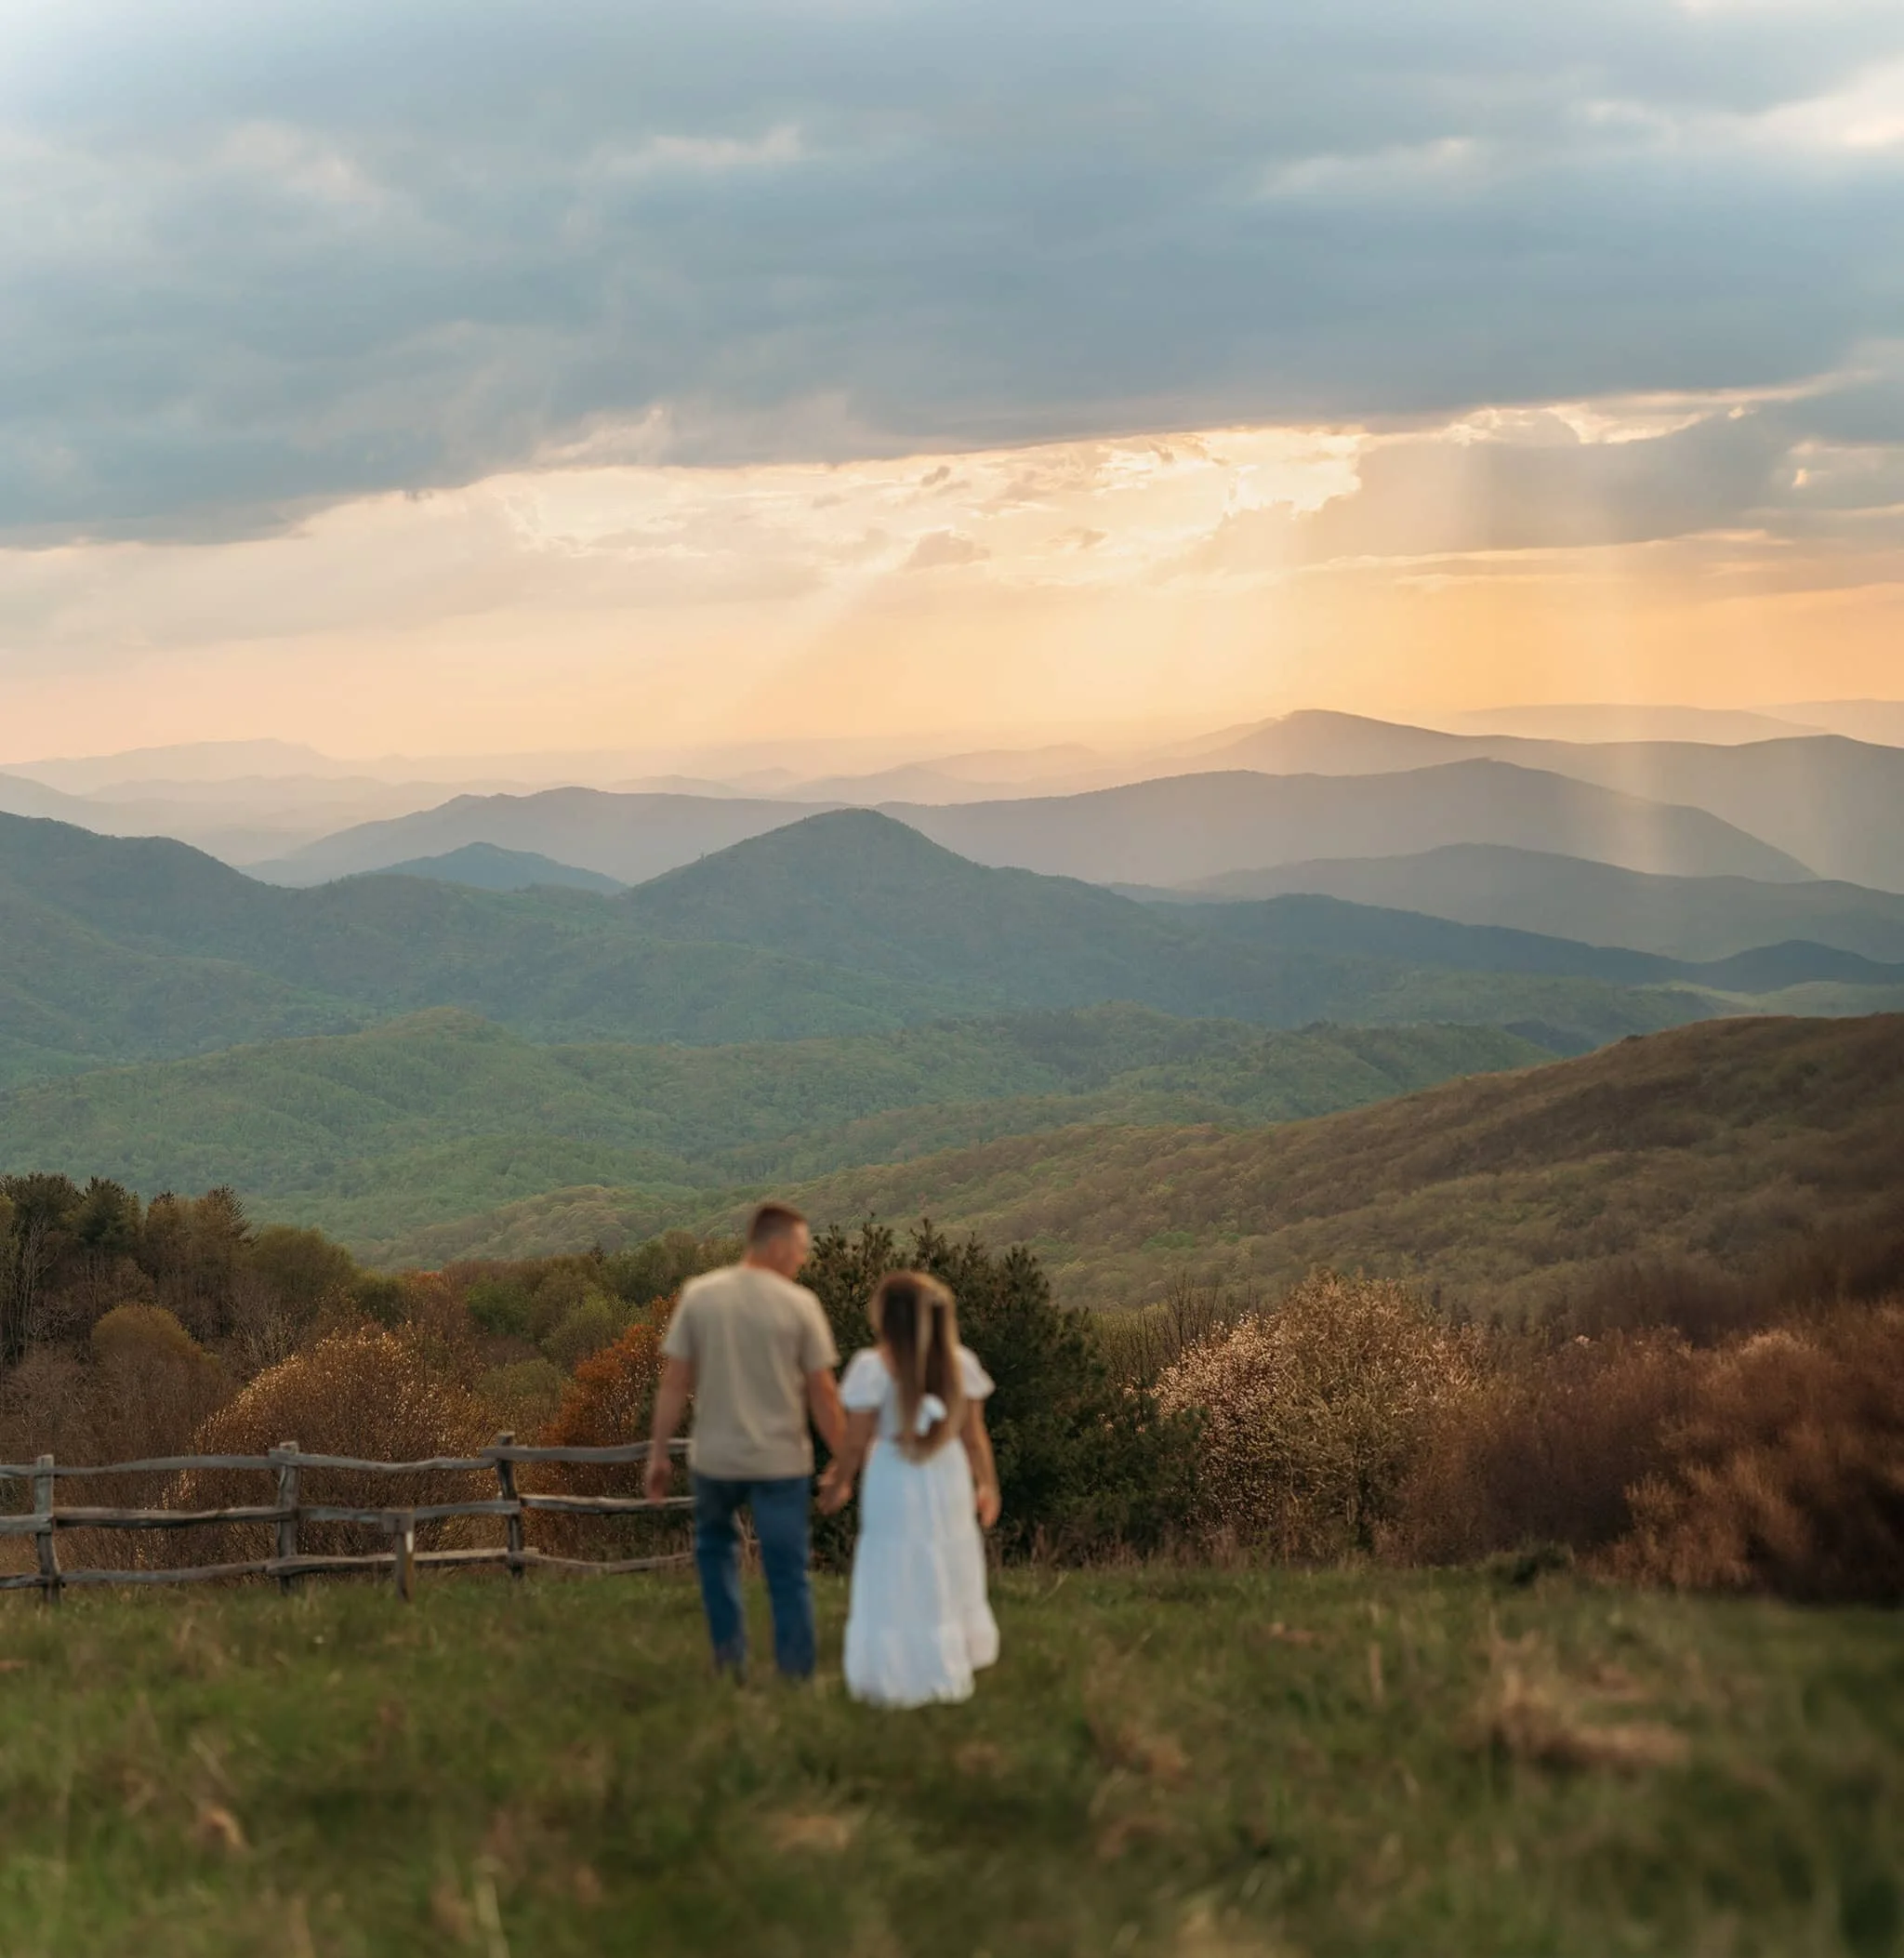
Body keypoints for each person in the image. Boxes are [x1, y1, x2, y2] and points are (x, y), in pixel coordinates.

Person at [646, 1202, 843, 1679]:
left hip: (715, 1458)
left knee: (715, 1557)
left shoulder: (700, 1295)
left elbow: (674, 1381)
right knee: (788, 1571)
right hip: (780, 1462)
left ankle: (730, 1662)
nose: (803, 1260)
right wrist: (844, 1462)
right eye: (799, 1250)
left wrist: (658, 1452)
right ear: (776, 1247)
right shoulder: (800, 1305)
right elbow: (822, 1393)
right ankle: (795, 1674)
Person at [818, 1269, 1001, 1708]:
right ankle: (946, 1657)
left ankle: (896, 1669)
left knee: (894, 1565)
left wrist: (838, 1482)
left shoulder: (870, 1368)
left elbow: (856, 1440)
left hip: (894, 1480)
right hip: (947, 1475)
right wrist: (988, 1485)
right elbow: (975, 1438)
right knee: (943, 1558)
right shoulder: (961, 1365)